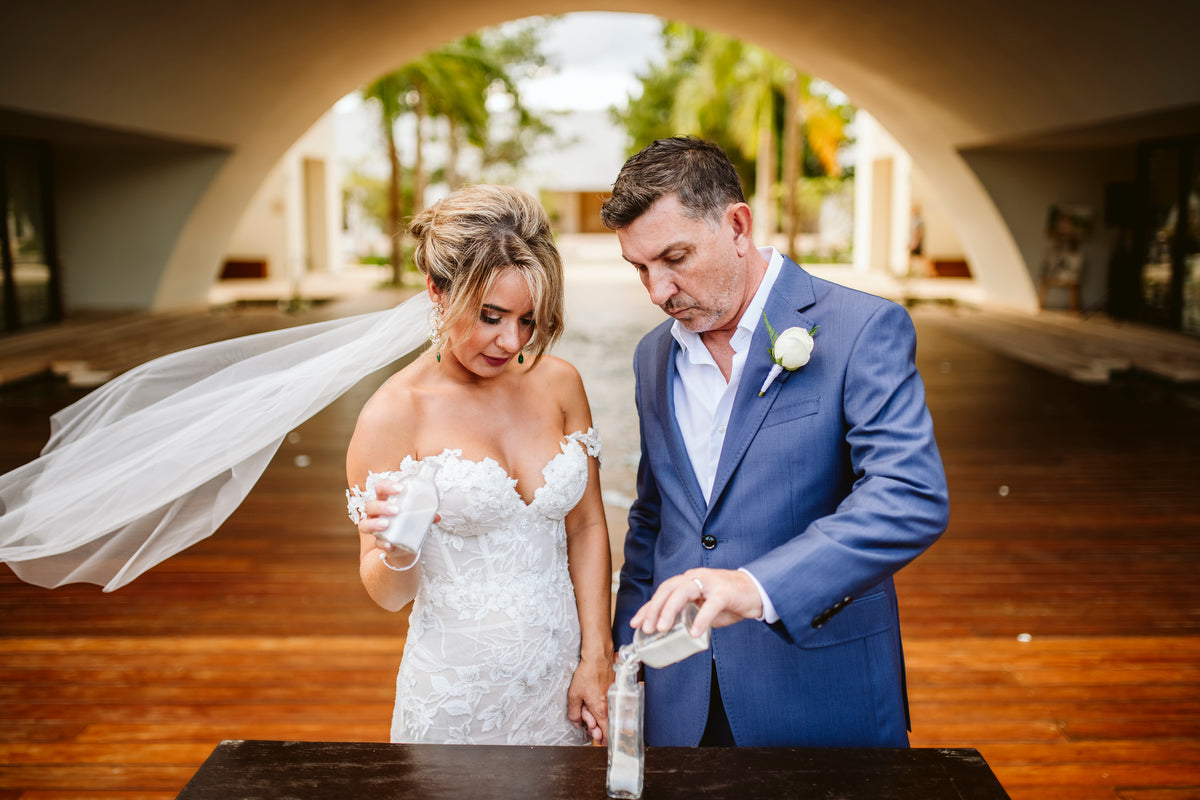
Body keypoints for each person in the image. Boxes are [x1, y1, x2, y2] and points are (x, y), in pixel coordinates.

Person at [601, 137, 949, 748]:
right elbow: (656, 518)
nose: (658, 292)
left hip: (817, 690)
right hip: (677, 699)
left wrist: (754, 587)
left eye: (674, 258)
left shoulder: (862, 329)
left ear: (737, 226)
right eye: (640, 269)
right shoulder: (653, 355)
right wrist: (623, 656)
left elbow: (908, 496)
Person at [345, 185, 614, 746]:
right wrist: (398, 550)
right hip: (456, 695)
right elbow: (386, 593)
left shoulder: (560, 382)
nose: (510, 341)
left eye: (528, 319)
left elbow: (586, 526)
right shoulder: (394, 414)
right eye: (491, 316)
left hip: (562, 683)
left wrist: (597, 655)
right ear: (437, 290)